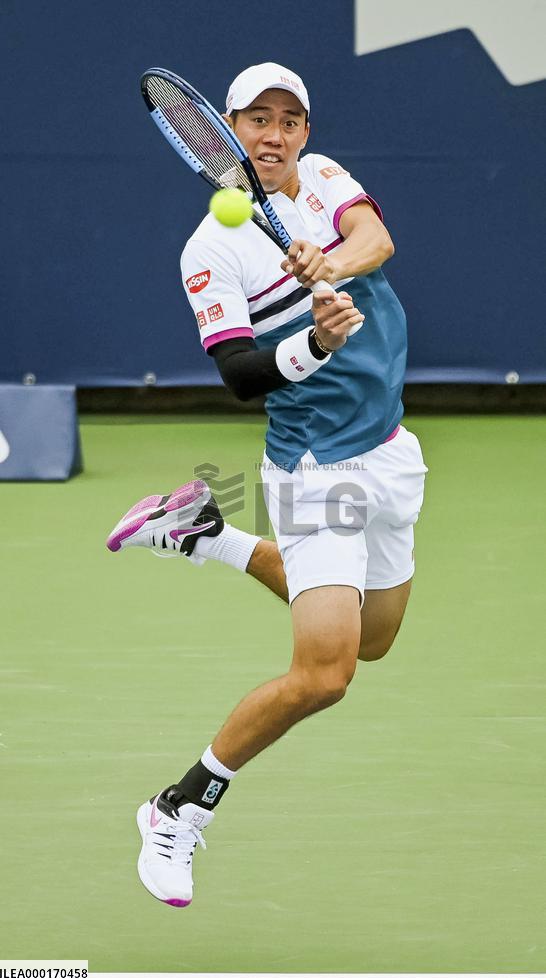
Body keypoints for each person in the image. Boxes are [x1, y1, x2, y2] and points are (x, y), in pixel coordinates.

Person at [107, 62, 428, 908]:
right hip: (316, 467)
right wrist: (314, 340)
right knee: (325, 672)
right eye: (256, 119)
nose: (274, 133)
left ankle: (207, 532)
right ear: (227, 133)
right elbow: (242, 377)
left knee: (371, 639)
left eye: (290, 119)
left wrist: (328, 260)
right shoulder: (210, 248)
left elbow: (377, 242)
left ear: (306, 135)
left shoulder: (324, 181)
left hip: (391, 451)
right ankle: (178, 807)